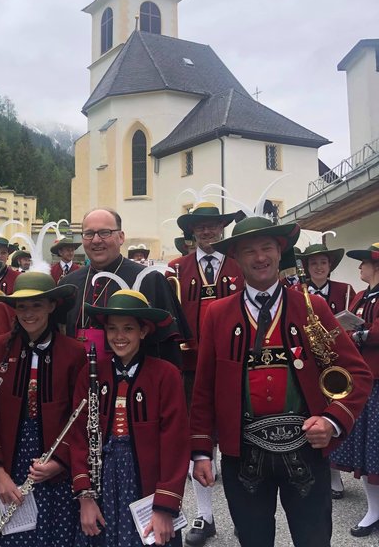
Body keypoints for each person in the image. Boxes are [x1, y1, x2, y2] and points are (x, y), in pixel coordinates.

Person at [190, 216, 373, 547]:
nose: (260, 257)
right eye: (249, 250)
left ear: (280, 251)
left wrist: (332, 420)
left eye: (267, 248)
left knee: (314, 539)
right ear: (236, 257)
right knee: (253, 540)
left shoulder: (312, 307)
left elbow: (358, 373)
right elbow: (203, 390)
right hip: (242, 454)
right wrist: (202, 451)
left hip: (306, 450)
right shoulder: (217, 314)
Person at [0, 272, 85, 546]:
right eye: (22, 306)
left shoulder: (74, 353)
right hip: (7, 460)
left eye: (36, 305)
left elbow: (80, 417)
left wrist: (60, 461)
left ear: (51, 306)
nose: (28, 313)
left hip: (53, 467)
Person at [71, 288, 189, 547]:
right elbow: (79, 437)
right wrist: (85, 497)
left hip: (145, 485)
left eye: (128, 329)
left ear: (143, 332)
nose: (119, 336)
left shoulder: (165, 375)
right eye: (112, 329)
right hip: (101, 484)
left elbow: (175, 443)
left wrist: (165, 507)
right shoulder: (90, 374)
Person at [165, 202, 243, 546]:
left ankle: (244, 512)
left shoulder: (239, 266)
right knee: (198, 441)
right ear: (191, 231)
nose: (208, 231)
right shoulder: (175, 268)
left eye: (213, 225)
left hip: (235, 365)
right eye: (201, 226)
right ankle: (205, 514)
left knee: (239, 439)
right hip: (191, 368)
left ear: (222, 229)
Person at [59, 208, 190, 368]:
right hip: (78, 379)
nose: (96, 240)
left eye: (104, 232)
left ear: (121, 237)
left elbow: (168, 349)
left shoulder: (150, 279)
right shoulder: (69, 283)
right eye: (89, 234)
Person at [296, 241, 356, 500]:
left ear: (330, 266)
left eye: (323, 263)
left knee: (338, 411)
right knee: (317, 411)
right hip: (310, 361)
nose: (319, 267)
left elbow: (355, 319)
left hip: (337, 359)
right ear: (307, 268)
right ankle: (330, 474)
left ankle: (340, 469)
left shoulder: (346, 290)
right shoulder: (298, 291)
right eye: (314, 263)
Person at [329, 242, 379, 536]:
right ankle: (374, 510)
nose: (359, 268)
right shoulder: (360, 296)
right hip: (364, 381)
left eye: (364, 263)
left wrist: (360, 334)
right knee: (369, 452)